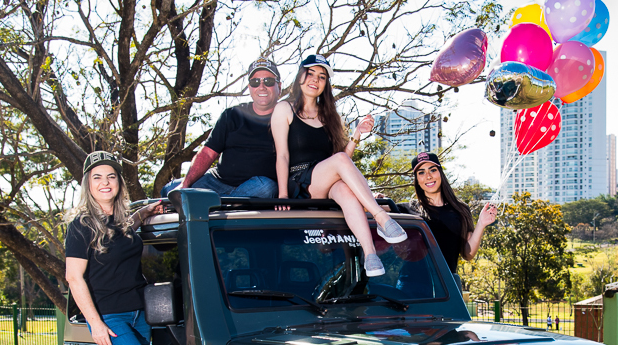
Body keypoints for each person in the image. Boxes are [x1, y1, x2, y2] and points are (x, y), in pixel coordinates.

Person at [65, 151, 183, 345]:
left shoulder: (122, 222)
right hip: (110, 319)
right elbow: (74, 278)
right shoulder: (80, 226)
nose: (105, 183)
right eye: (97, 177)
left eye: (111, 176)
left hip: (138, 314)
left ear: (119, 182)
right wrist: (95, 324)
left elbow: (128, 227)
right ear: (87, 184)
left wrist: (147, 211)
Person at [271, 54, 408, 277]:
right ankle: (381, 217)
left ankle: (370, 254)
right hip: (300, 182)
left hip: (326, 180)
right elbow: (282, 155)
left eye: (322, 77)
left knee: (345, 189)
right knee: (341, 162)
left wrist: (357, 134)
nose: (315, 80)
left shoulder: (329, 116)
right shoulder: (285, 108)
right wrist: (283, 195)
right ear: (300, 76)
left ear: (326, 84)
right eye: (310, 73)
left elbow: (342, 160)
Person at [179, 58, 283, 197]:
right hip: (217, 182)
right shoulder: (232, 114)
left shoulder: (287, 118)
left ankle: (216, 203)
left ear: (279, 87)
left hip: (258, 187)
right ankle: (225, 203)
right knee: (172, 190)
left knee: (267, 188)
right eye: (255, 82)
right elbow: (208, 153)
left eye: (268, 81)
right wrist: (185, 184)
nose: (262, 86)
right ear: (250, 87)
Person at [410, 151, 497, 273]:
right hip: (410, 282)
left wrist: (481, 224)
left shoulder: (460, 209)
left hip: (445, 282)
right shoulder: (407, 209)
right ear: (417, 179)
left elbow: (468, 254)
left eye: (432, 170)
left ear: (440, 173)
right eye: (421, 172)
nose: (428, 176)